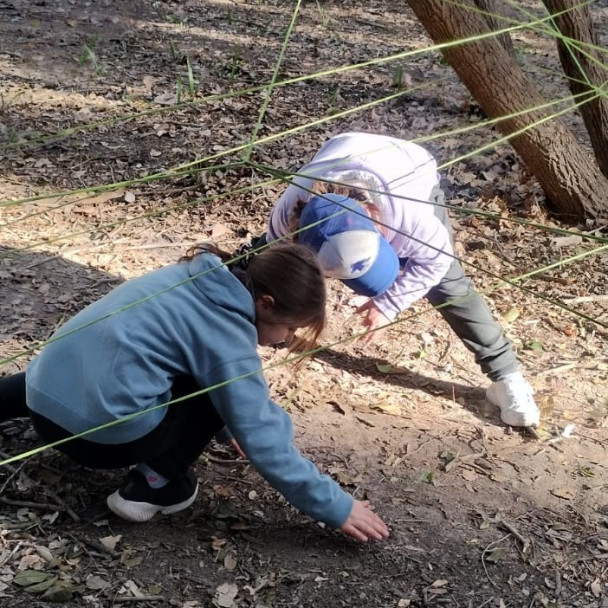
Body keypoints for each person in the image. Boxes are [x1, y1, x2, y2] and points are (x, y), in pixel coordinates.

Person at [0, 242, 389, 543]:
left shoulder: (189, 276)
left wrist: (227, 430)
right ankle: (156, 486)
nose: (285, 340)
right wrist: (335, 506)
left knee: (101, 353)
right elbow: (265, 440)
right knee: (219, 391)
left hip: (40, 390)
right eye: (289, 328)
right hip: (94, 440)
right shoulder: (228, 339)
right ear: (265, 304)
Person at [264, 131, 540, 428]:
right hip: (339, 151)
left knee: (449, 286)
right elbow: (279, 268)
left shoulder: (410, 217)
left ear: (377, 224)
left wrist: (388, 305)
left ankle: (507, 377)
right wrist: (282, 318)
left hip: (408, 164)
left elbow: (437, 260)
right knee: (277, 271)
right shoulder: (287, 215)